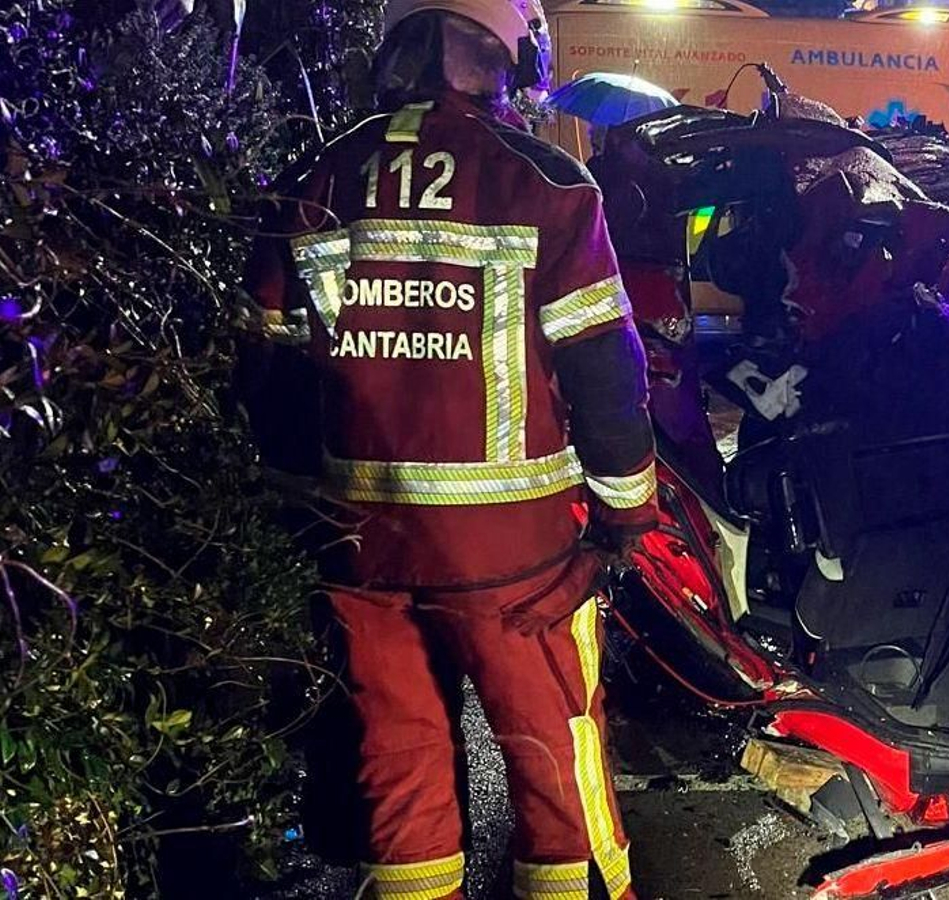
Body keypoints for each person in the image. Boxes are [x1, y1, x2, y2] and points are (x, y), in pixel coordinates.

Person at [235, 2, 655, 898]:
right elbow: (603, 368)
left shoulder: (316, 175)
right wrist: (624, 517)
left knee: (400, 759)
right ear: (505, 61)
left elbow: (270, 368)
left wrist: (302, 508)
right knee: (551, 756)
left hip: (362, 548)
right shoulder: (544, 180)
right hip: (517, 559)